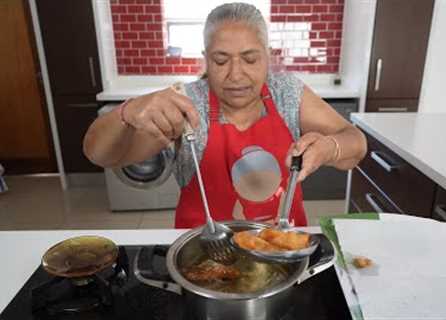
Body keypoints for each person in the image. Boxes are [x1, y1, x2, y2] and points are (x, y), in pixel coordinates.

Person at [83, 3, 367, 228]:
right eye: (221, 60)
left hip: (281, 249)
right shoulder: (188, 103)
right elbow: (100, 154)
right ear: (206, 59)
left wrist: (330, 148)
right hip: (204, 255)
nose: (236, 74)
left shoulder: (287, 93)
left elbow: (356, 144)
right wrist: (127, 112)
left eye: (250, 59)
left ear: (268, 56)